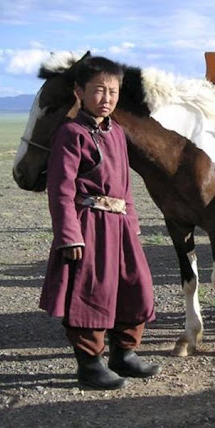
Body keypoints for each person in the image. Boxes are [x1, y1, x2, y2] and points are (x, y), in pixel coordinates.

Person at [40, 55, 160, 390]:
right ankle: (90, 364)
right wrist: (69, 235)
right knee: (92, 291)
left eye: (113, 91)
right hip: (87, 225)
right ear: (79, 91)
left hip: (120, 226)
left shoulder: (117, 133)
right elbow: (60, 189)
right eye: (98, 91)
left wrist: (132, 222)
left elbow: (125, 185)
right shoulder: (71, 133)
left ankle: (124, 353)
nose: (106, 98)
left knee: (135, 285)